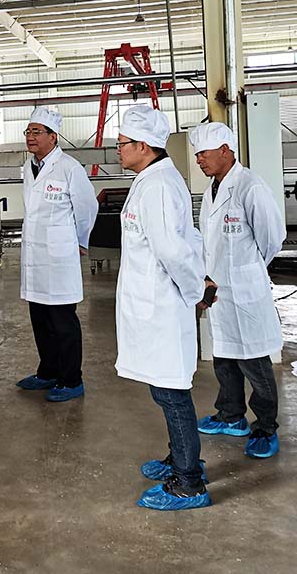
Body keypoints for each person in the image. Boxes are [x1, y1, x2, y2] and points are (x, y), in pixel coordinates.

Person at [115, 104, 213, 511]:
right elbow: (186, 239)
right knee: (164, 389)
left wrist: (196, 290)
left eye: (123, 143)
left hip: (162, 305)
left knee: (172, 394)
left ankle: (189, 482)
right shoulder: (152, 179)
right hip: (152, 303)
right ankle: (180, 458)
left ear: (144, 145)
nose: (118, 149)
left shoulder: (156, 185)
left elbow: (173, 250)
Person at [190, 122, 285, 458]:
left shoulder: (250, 187)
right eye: (197, 154)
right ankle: (231, 416)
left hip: (244, 290)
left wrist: (247, 269)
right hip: (219, 291)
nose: (198, 159)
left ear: (225, 151)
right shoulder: (212, 190)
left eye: (203, 153)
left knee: (255, 363)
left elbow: (272, 238)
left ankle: (265, 427)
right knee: (224, 358)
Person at [16, 107, 98, 402]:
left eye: (37, 132)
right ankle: (48, 372)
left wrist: (80, 241)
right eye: (28, 131)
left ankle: (71, 380)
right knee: (40, 319)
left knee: (62, 322)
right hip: (35, 257)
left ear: (53, 136)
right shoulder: (29, 167)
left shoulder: (69, 168)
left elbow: (87, 208)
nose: (30, 137)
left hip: (59, 256)